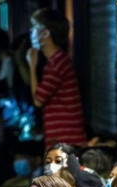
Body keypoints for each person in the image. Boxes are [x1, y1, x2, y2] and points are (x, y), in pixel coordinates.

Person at [26, 8, 87, 147]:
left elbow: (38, 100)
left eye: (35, 28)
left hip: (67, 141)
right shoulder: (56, 61)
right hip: (63, 140)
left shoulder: (57, 64)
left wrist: (32, 65)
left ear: (45, 33)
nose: (31, 32)